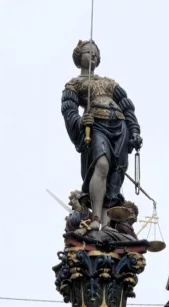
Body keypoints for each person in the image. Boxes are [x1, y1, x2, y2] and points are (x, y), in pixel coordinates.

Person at [61, 40, 142, 231]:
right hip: (96, 124)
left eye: (96, 53)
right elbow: (68, 109)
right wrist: (80, 122)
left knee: (117, 171)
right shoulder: (75, 84)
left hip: (119, 125)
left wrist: (135, 130)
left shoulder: (109, 82)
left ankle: (107, 223)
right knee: (102, 165)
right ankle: (95, 217)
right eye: (89, 52)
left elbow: (126, 105)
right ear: (79, 56)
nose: (94, 55)